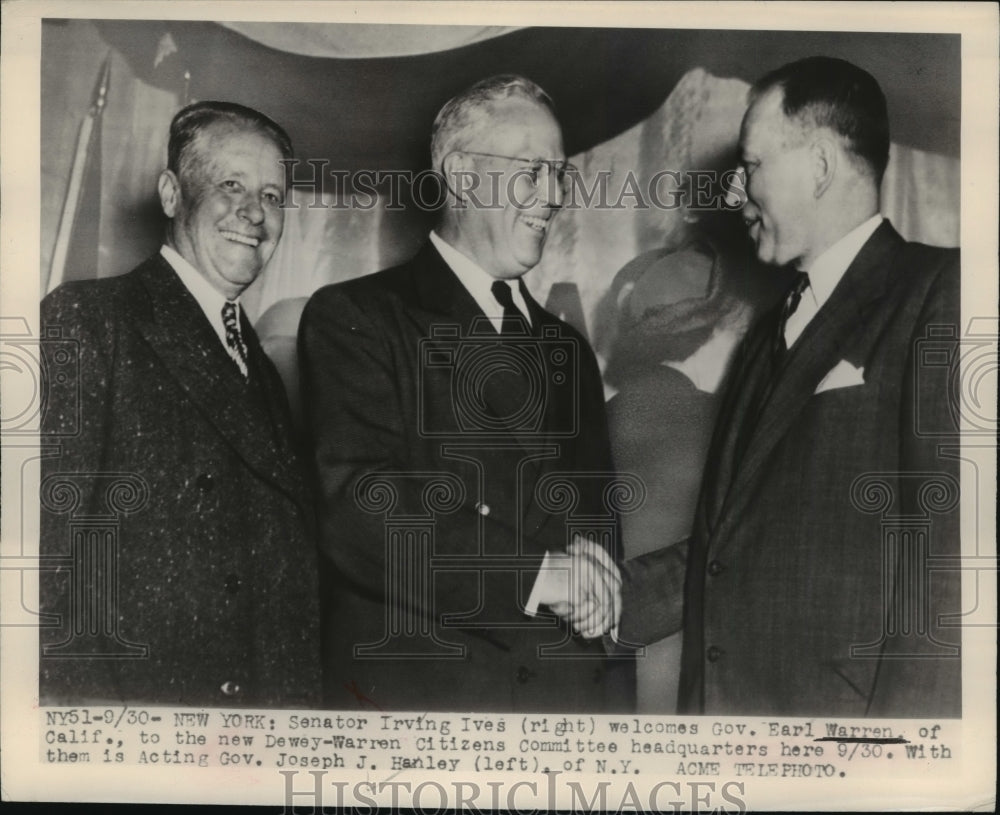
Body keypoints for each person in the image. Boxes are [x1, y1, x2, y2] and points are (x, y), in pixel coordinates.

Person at [572, 56, 961, 717]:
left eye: (751, 167)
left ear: (819, 167)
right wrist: (607, 597)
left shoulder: (941, 293)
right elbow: (734, 543)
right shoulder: (769, 332)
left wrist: (909, 763)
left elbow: (955, 557)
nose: (732, 194)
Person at [299, 75, 626, 712]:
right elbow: (359, 512)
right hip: (428, 712)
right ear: (459, 175)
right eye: (532, 171)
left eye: (560, 175)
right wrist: (535, 573)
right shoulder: (358, 318)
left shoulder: (570, 351)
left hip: (562, 715)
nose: (553, 196)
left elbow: (596, 533)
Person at [39, 101, 321, 708]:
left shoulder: (263, 368)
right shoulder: (90, 320)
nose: (254, 212)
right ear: (171, 193)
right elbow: (39, 572)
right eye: (230, 185)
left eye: (273, 196)